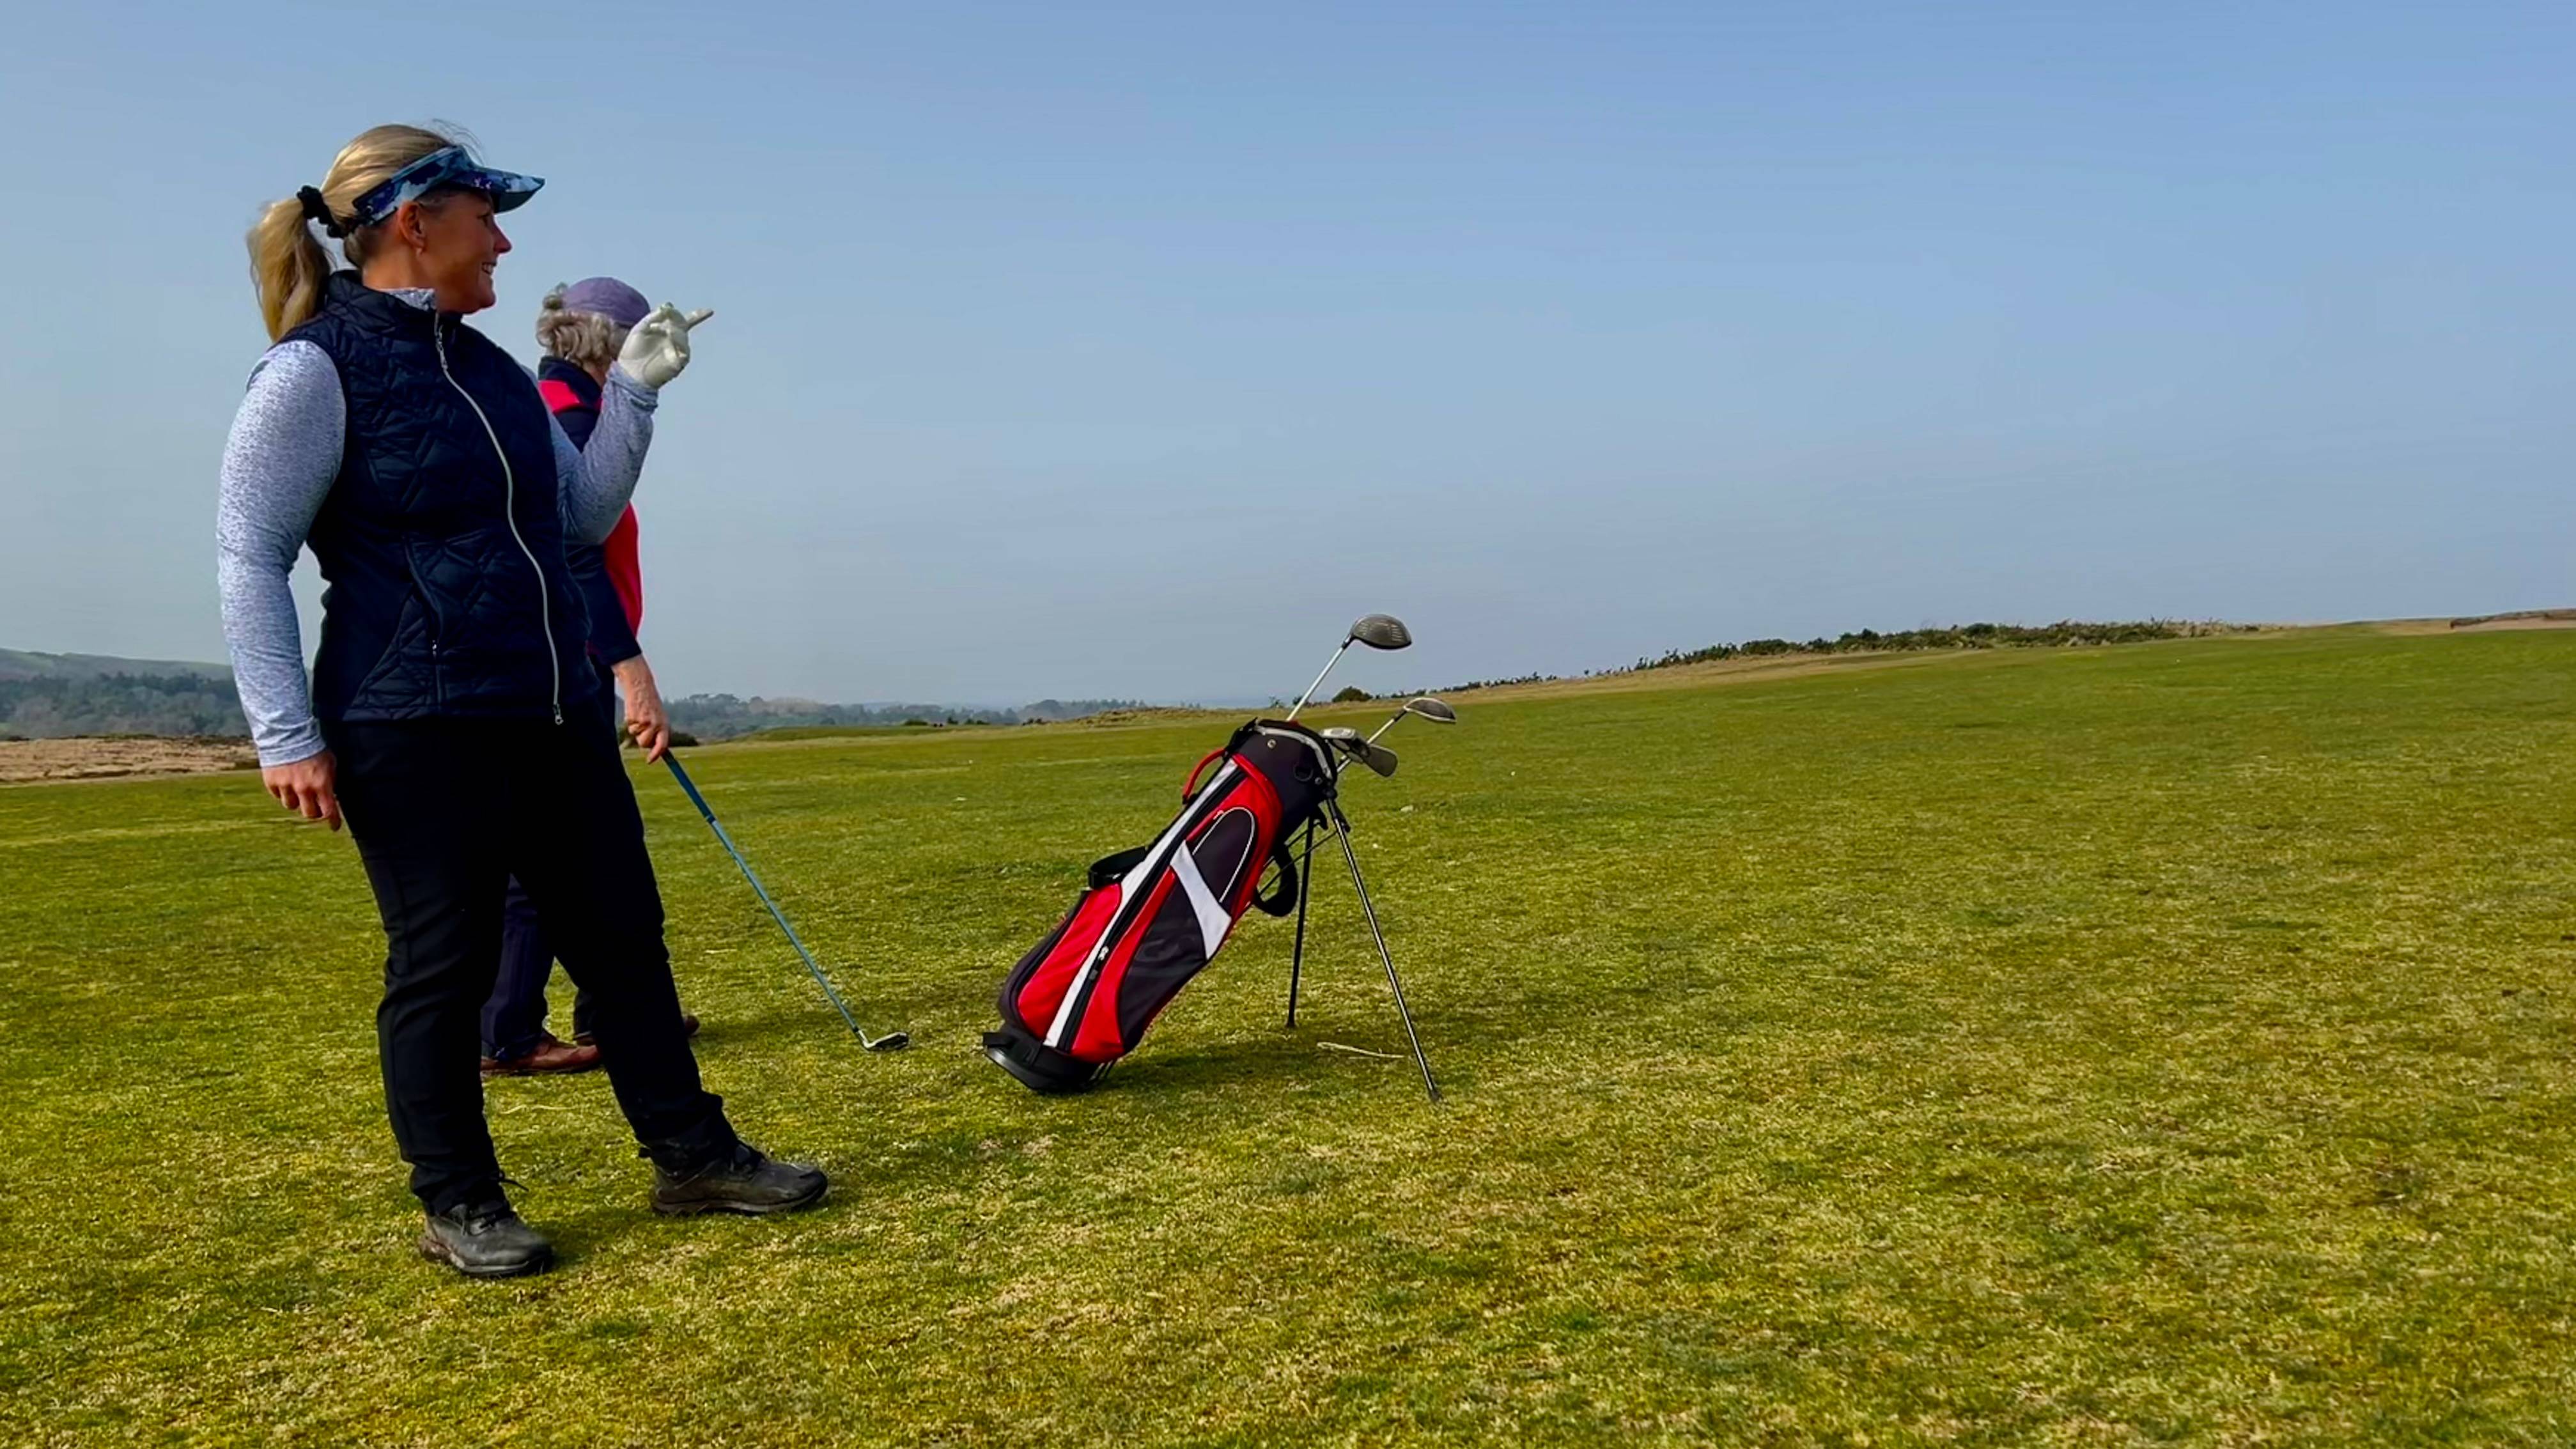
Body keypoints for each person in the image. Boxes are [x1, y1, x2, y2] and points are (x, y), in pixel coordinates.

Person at [219, 124, 825, 1280]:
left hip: (548, 712)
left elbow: (579, 516)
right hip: (411, 720)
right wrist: (284, 731)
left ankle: (693, 1156)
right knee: (441, 967)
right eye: (484, 219)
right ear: (414, 224)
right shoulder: (313, 370)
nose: (501, 244)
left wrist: (634, 393)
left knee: (622, 943)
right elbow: (250, 553)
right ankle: (461, 1200)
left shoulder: (493, 370)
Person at [477, 277, 695, 1077]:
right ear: (614, 343)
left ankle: (611, 1009)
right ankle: (510, 1030)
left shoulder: (576, 405)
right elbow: (577, 558)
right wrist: (633, 671)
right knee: (564, 848)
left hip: (567, 661)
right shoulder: (568, 416)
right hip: (562, 664)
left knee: (585, 844)